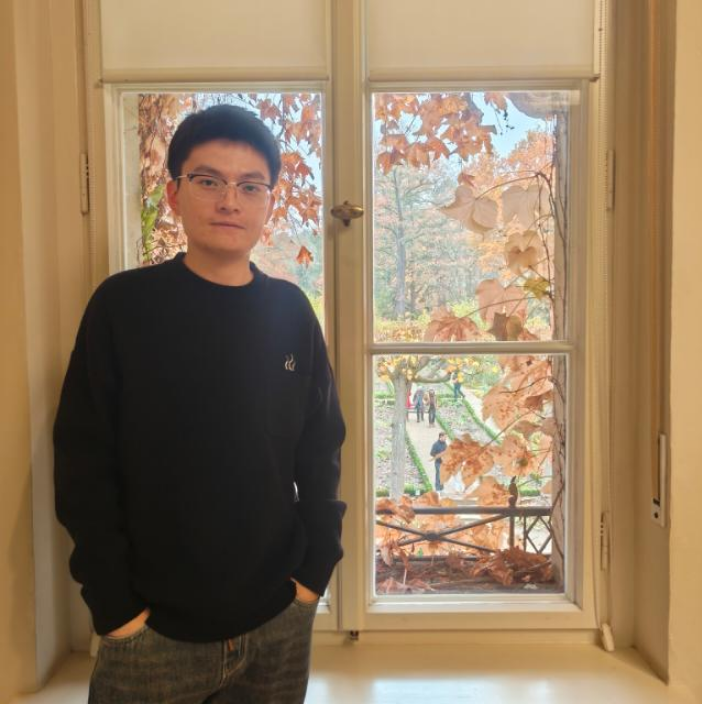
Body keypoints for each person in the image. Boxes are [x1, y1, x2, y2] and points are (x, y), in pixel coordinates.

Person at [53, 104, 346, 704]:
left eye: (250, 186)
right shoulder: (123, 308)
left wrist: (312, 577)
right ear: (174, 193)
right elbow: (83, 463)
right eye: (209, 181)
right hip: (150, 635)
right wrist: (116, 611)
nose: (230, 201)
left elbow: (320, 451)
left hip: (277, 623)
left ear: (269, 202)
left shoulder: (291, 313)